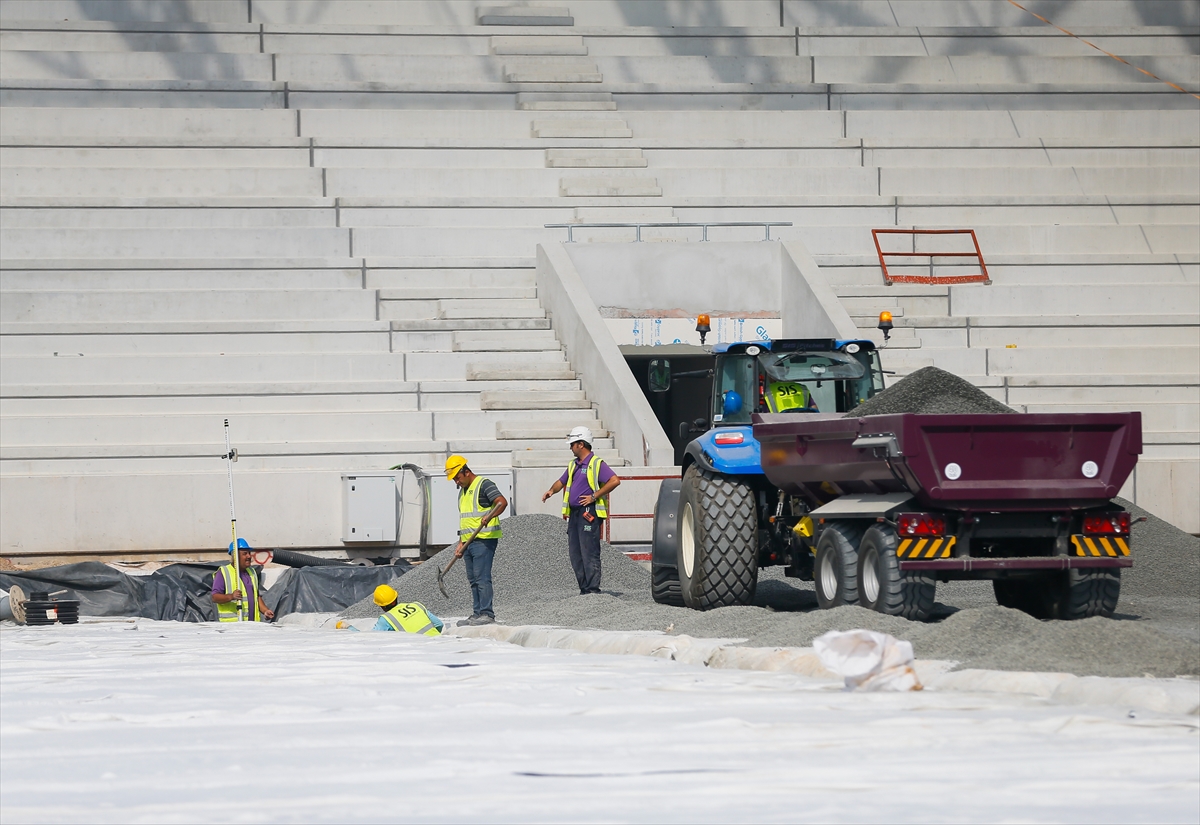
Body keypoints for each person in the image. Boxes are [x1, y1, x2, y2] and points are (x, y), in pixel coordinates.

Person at [541, 426, 621, 595]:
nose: (570, 447)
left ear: (581, 444)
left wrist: (594, 496)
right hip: (575, 514)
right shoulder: (573, 465)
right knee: (575, 552)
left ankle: (592, 589)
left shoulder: (596, 463)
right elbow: (561, 481)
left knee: (589, 550)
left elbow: (614, 481)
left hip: (588, 512)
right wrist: (551, 491)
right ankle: (584, 589)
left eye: (572, 444)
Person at [446, 454, 507, 627]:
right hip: (468, 541)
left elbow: (501, 502)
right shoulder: (463, 492)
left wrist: (490, 515)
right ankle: (477, 612)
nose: (456, 482)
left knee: (482, 577)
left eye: (457, 477)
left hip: (484, 539)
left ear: (466, 471)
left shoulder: (484, 485)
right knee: (473, 579)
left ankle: (487, 614)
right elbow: (466, 520)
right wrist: (460, 543)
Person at [211, 538, 274, 623]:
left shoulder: (252, 572)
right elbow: (215, 597)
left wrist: (265, 611)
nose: (249, 556)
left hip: (252, 625)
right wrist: (231, 596)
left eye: (249, 553)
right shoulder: (223, 572)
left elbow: (256, 597)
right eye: (245, 554)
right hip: (232, 626)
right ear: (235, 556)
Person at [369, 585, 443, 634]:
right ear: (396, 597)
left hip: (418, 653)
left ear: (381, 606)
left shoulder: (386, 619)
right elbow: (439, 624)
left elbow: (374, 638)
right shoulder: (416, 605)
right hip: (438, 645)